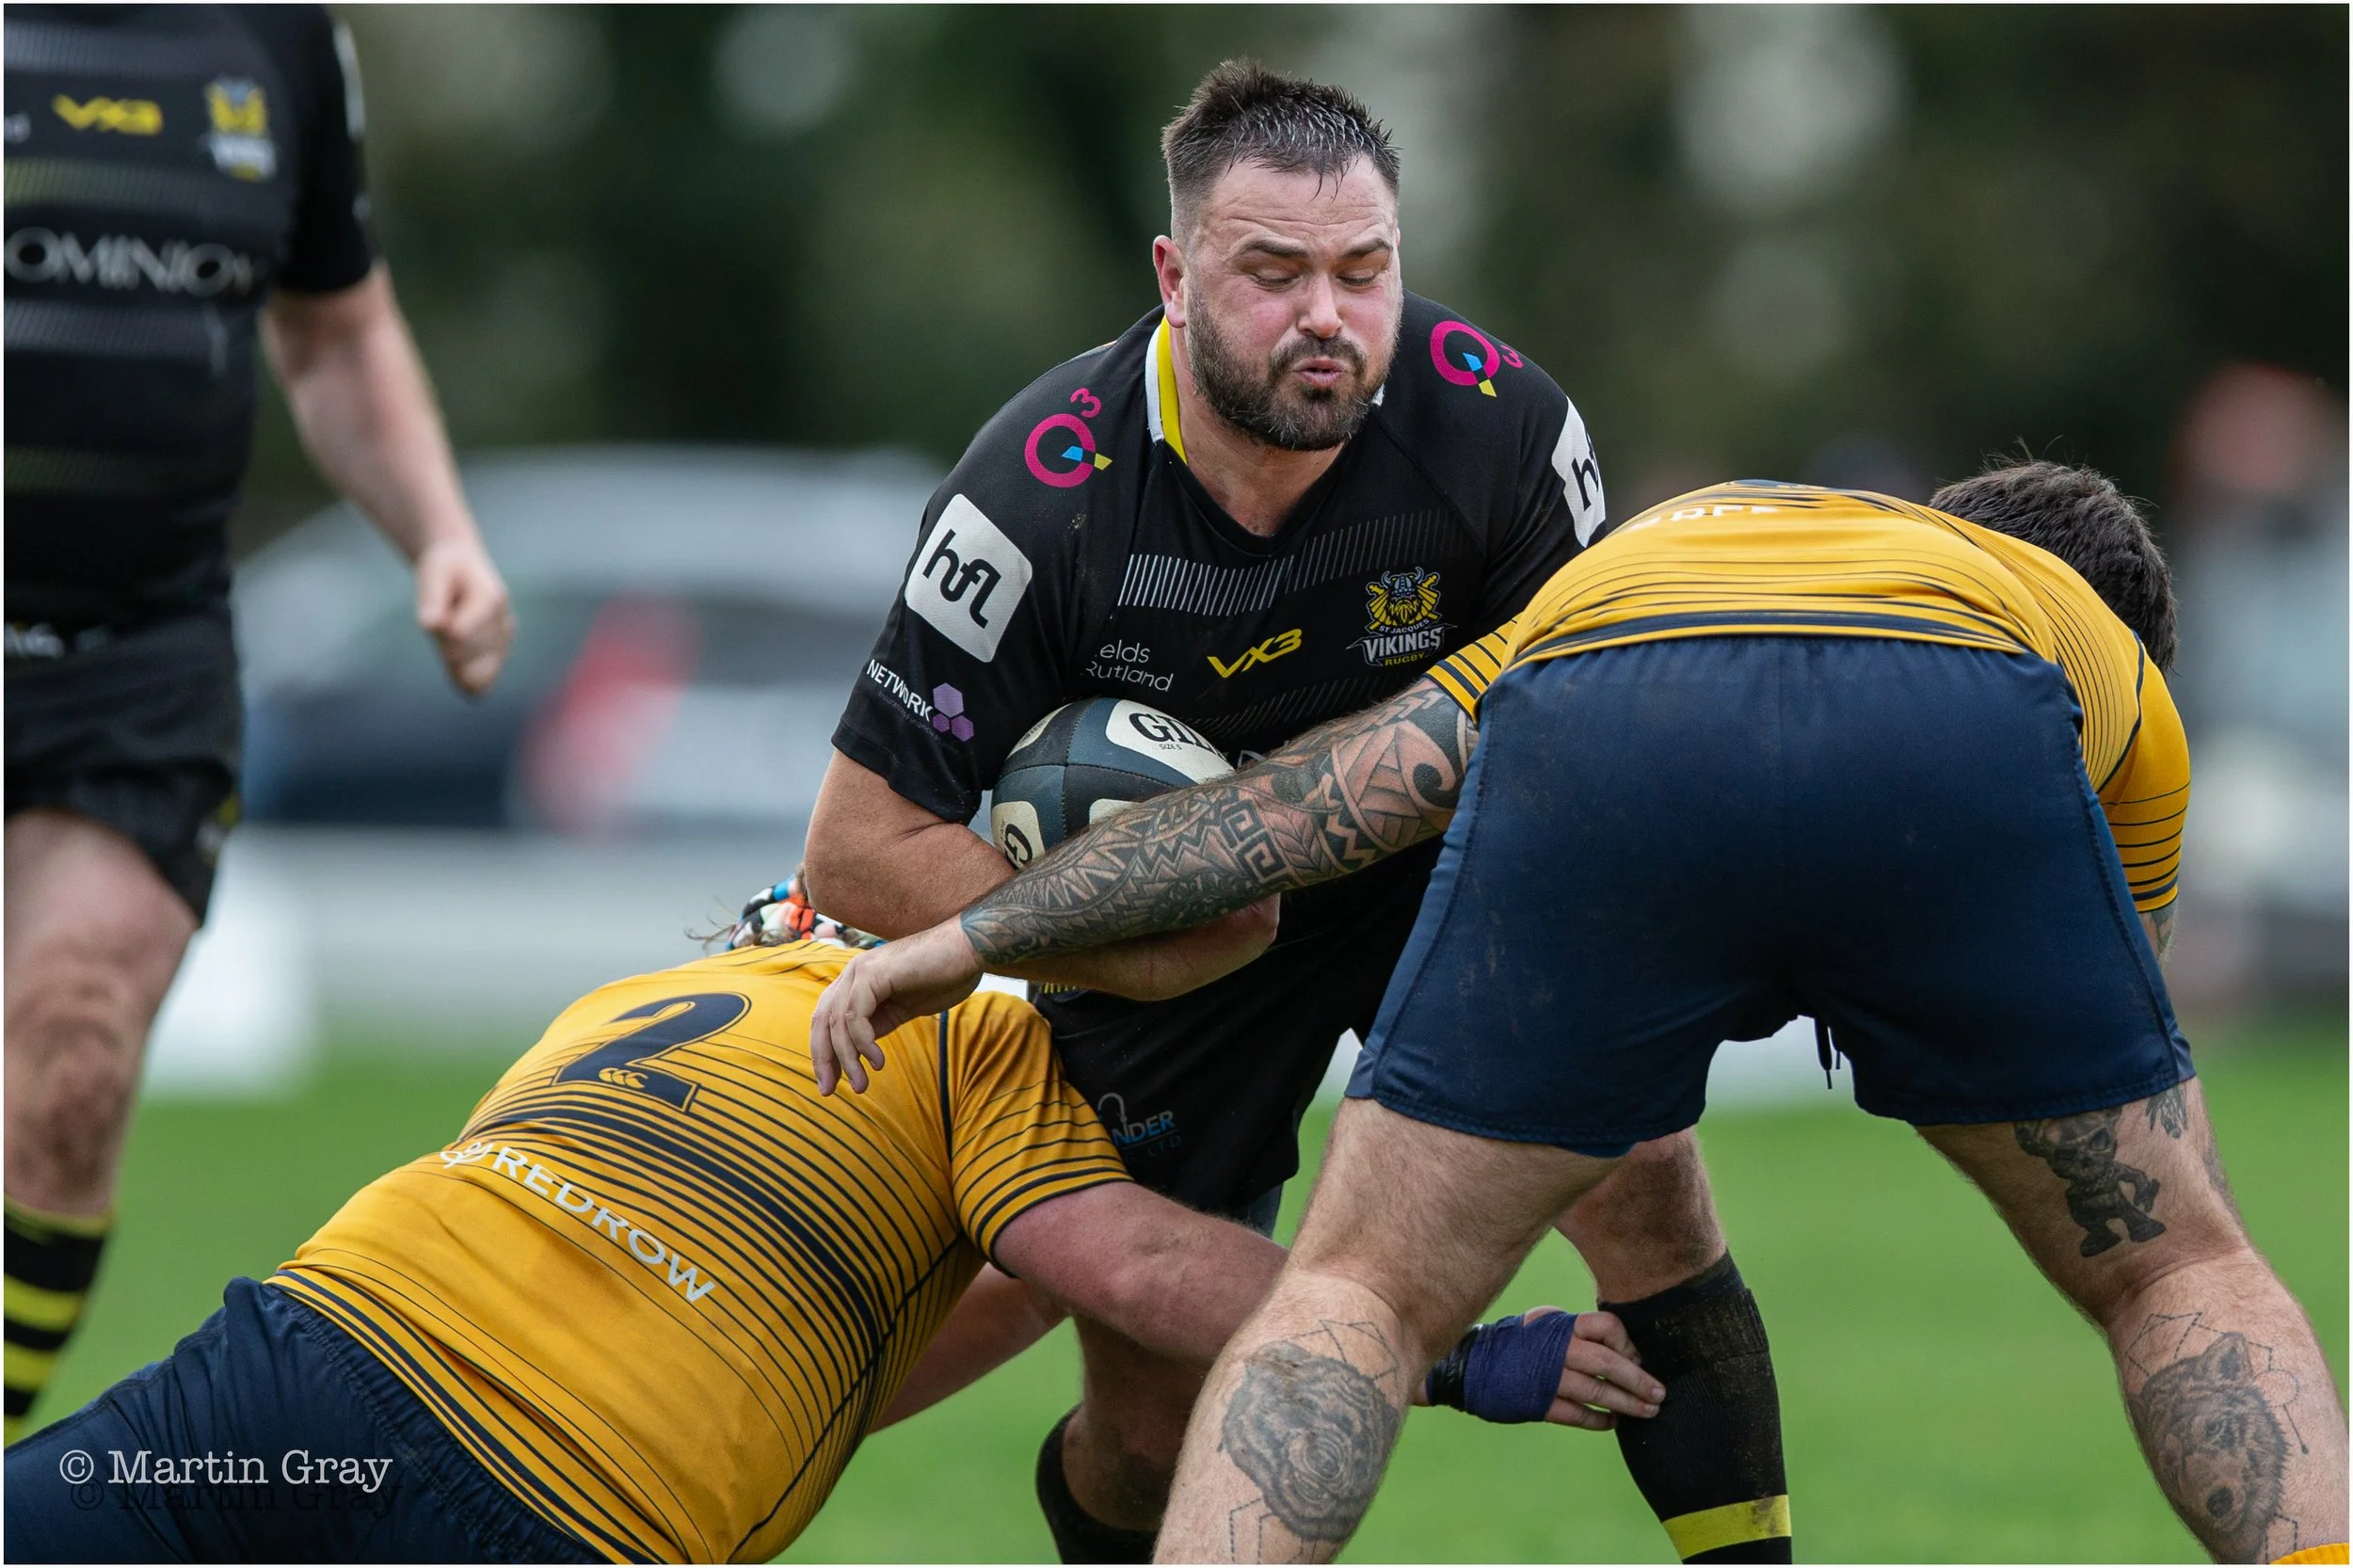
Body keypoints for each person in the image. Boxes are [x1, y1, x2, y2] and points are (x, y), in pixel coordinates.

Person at [813, 464, 2350, 1564]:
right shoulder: (2081, 654)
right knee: (2177, 1274)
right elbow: (2145, 1069)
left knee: (1354, 1292)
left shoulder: (1627, 568)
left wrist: (974, 933)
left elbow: (1301, 814)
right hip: (1958, 720)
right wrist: (2173, 1244)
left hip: (1615, 700)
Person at [801, 59, 1791, 1564]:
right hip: (1163, 938)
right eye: (1272, 273)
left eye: (1364, 271)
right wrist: (1128, 944)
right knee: (1152, 1432)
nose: (1326, 316)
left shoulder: (1502, 431)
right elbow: (855, 844)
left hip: (1435, 878)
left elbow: (1598, 754)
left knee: (1644, 1159)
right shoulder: (1037, 494)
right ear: (1176, 271)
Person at [3, 905, 1661, 1563]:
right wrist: (1443, 1351)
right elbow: (1116, 1266)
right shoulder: (989, 1041)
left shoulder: (658, 985)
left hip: (303, 1367)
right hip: (552, 1505)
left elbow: (833, 1344)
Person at [4, 4, 514, 1442]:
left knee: (76, 1044)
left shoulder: (278, 40)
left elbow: (337, 331)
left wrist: (440, 533)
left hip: (139, 661)